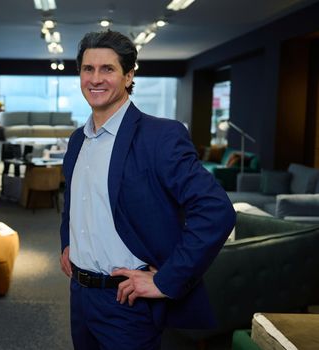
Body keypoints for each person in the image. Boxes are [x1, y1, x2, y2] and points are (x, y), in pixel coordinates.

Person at [59, 30, 236, 350]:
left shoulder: (161, 136)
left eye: (107, 69)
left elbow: (216, 210)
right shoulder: (77, 140)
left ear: (128, 76)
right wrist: (68, 243)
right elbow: (75, 200)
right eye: (88, 69)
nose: (95, 78)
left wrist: (166, 279)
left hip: (127, 301)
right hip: (80, 297)